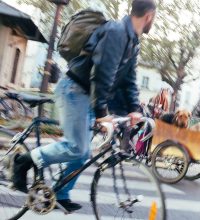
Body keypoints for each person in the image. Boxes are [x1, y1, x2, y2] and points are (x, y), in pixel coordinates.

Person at [11, 0, 156, 212]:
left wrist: (135, 108)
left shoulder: (133, 41)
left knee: (83, 152)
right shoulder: (116, 32)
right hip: (75, 90)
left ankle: (60, 193)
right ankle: (24, 161)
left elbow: (129, 79)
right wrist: (101, 113)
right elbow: (102, 73)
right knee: (77, 147)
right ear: (149, 15)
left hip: (87, 96)